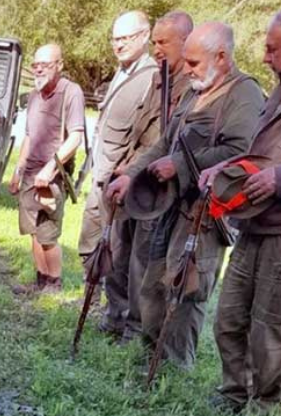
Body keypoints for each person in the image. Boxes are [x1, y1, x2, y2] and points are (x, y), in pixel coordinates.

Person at [107, 22, 264, 370]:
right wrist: (131, 176)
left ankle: (174, 371)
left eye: (194, 63)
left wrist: (179, 166)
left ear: (222, 57)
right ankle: (149, 360)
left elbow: (243, 151)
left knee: (185, 291)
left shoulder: (244, 94)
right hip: (168, 206)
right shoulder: (196, 89)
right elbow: (165, 142)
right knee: (153, 285)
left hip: (205, 214)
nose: (188, 69)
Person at [202, 11, 281, 413]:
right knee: (229, 317)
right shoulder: (278, 93)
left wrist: (279, 178)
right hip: (253, 223)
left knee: (270, 329)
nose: (265, 58)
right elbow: (259, 152)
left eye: (273, 49)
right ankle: (233, 394)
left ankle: (264, 409)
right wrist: (225, 169)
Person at [109, 10, 195, 345]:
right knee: (126, 256)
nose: (157, 49)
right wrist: (129, 169)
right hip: (142, 176)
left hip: (163, 188)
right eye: (155, 42)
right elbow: (152, 133)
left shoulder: (193, 83)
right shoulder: (163, 78)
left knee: (146, 262)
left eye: (163, 42)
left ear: (185, 41)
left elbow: (173, 140)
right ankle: (125, 323)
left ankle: (137, 331)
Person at [77, 11, 159, 337]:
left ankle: (122, 323)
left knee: (120, 255)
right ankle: (108, 314)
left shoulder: (151, 76)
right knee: (96, 248)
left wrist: (128, 170)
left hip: (122, 183)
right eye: (115, 38)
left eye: (126, 38)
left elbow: (150, 137)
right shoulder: (123, 72)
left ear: (144, 36)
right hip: (101, 177)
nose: (118, 44)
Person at [8, 44, 85, 293]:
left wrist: (51, 168)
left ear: (60, 65)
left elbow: (75, 138)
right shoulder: (33, 96)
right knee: (32, 231)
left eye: (46, 64)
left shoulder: (71, 92)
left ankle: (55, 283)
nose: (39, 69)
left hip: (53, 177)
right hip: (30, 174)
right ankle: (40, 280)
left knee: (47, 234)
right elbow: (29, 137)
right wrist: (18, 171)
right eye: (36, 65)